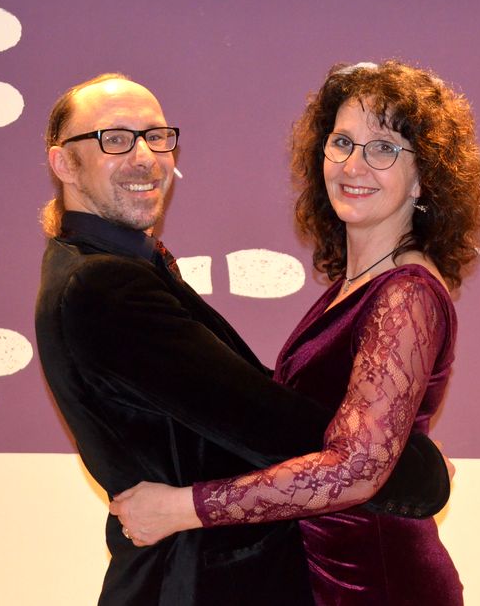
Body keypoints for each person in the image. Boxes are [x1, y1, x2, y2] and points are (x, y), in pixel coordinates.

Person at [33, 72, 455, 606]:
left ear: (422, 178)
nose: (145, 157)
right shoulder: (102, 284)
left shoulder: (399, 289)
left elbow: (276, 418)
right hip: (200, 577)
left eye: (157, 137)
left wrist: (381, 456)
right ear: (64, 163)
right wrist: (417, 470)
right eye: (114, 139)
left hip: (362, 576)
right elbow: (264, 421)